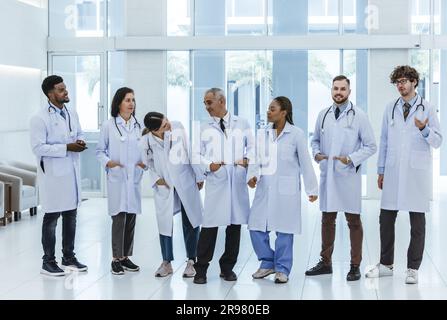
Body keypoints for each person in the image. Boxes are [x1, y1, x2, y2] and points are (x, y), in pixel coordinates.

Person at [366, 66, 442, 284]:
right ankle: (386, 264)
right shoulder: (390, 108)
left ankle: (412, 268)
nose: (400, 85)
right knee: (386, 218)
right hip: (392, 170)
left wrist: (424, 130)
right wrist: (380, 170)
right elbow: (384, 140)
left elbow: (438, 141)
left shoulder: (427, 108)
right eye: (397, 82)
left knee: (417, 222)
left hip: (416, 173)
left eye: (404, 81)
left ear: (414, 82)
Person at [306, 75, 377, 281]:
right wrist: (317, 153)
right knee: (327, 219)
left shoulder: (359, 116)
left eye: (342, 89)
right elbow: (315, 140)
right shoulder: (324, 114)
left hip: (348, 176)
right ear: (332, 90)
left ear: (349, 91)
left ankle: (355, 265)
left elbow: (371, 145)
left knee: (353, 220)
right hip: (328, 174)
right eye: (335, 88)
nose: (339, 92)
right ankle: (325, 263)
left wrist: (351, 159)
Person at [247, 96, 318, 284]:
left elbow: (305, 162)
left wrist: (312, 188)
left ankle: (282, 269)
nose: (268, 112)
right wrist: (252, 176)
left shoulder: (296, 134)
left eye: (272, 109)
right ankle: (268, 261)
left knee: (285, 230)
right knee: (255, 226)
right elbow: (255, 158)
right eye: (268, 109)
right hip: (265, 188)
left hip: (287, 190)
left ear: (284, 112)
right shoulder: (262, 134)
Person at [193, 88, 254, 284]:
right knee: (210, 225)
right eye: (205, 102)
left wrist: (246, 160)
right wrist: (208, 166)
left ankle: (227, 268)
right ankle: (201, 269)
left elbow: (253, 147)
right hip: (217, 179)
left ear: (222, 101)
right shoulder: (204, 127)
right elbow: (196, 154)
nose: (206, 107)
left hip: (235, 178)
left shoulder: (242, 123)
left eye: (209, 102)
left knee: (234, 226)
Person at [30, 75, 88, 276]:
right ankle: (48, 261)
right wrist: (66, 147)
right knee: (52, 217)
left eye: (65, 88)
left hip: (70, 173)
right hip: (53, 176)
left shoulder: (71, 112)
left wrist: (80, 142)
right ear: (50, 93)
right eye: (61, 89)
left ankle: (69, 257)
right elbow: (38, 148)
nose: (66, 92)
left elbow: (80, 132)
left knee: (71, 216)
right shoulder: (40, 118)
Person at [141, 112, 204, 278]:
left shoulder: (177, 126)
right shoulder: (147, 140)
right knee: (164, 223)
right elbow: (147, 164)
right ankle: (166, 262)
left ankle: (192, 261)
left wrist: (199, 175)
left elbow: (189, 150)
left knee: (190, 219)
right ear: (153, 130)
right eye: (163, 125)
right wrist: (157, 180)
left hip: (184, 180)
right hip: (166, 185)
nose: (168, 125)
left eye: (166, 120)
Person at [96, 87, 145, 275]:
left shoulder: (139, 126)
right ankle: (116, 258)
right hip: (117, 178)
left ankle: (125, 257)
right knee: (119, 218)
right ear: (118, 103)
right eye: (127, 100)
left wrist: (143, 164)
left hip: (134, 178)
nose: (131, 103)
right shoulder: (109, 125)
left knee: (131, 217)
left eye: (133, 100)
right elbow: (100, 151)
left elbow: (144, 150)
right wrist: (109, 163)